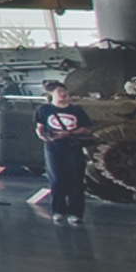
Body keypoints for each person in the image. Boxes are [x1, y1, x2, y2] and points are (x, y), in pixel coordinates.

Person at [37, 80, 93, 221]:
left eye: (64, 91)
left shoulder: (76, 110)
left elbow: (86, 128)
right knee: (56, 179)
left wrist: (68, 133)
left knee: (76, 179)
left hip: (72, 146)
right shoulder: (44, 110)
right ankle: (58, 210)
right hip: (53, 147)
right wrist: (44, 137)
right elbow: (39, 127)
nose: (63, 94)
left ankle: (75, 212)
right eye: (59, 92)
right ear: (52, 94)